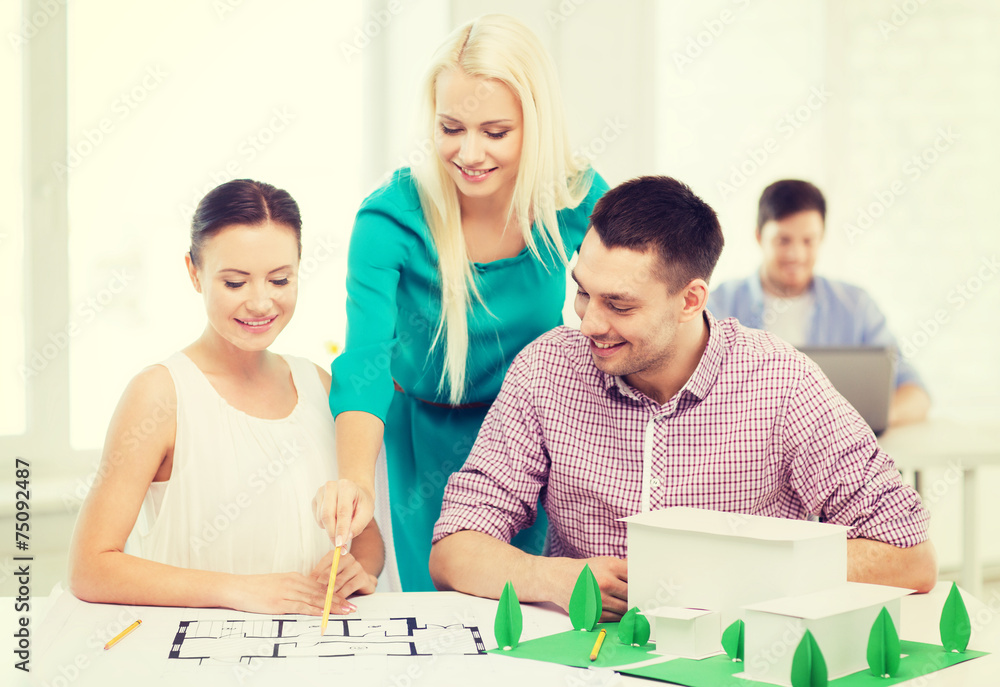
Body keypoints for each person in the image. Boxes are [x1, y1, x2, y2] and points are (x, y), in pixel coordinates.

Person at [429, 176, 937, 619]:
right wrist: (550, 577)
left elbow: (910, 560)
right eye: (583, 291)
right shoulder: (546, 369)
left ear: (691, 300)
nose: (589, 323)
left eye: (620, 305)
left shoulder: (781, 383)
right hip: (580, 657)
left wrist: (735, 570)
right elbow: (454, 550)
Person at [316, 14, 609, 591]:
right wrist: (354, 480)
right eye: (451, 128)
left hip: (530, 439)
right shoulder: (388, 218)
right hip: (418, 443)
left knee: (532, 606)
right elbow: (365, 361)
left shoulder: (575, 197)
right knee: (434, 615)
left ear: (535, 124)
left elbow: (639, 290)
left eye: (495, 132)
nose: (469, 153)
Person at [69, 179, 383, 615]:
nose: (260, 302)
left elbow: (367, 543)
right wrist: (242, 591)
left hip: (310, 656)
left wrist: (357, 569)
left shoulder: (318, 384)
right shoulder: (160, 395)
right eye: (235, 282)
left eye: (279, 279)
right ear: (194, 273)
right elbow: (91, 567)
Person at [707, 179, 930, 427]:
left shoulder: (855, 306)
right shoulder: (718, 305)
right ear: (759, 237)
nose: (796, 255)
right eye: (783, 240)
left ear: (821, 238)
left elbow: (915, 393)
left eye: (808, 241)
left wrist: (859, 421)